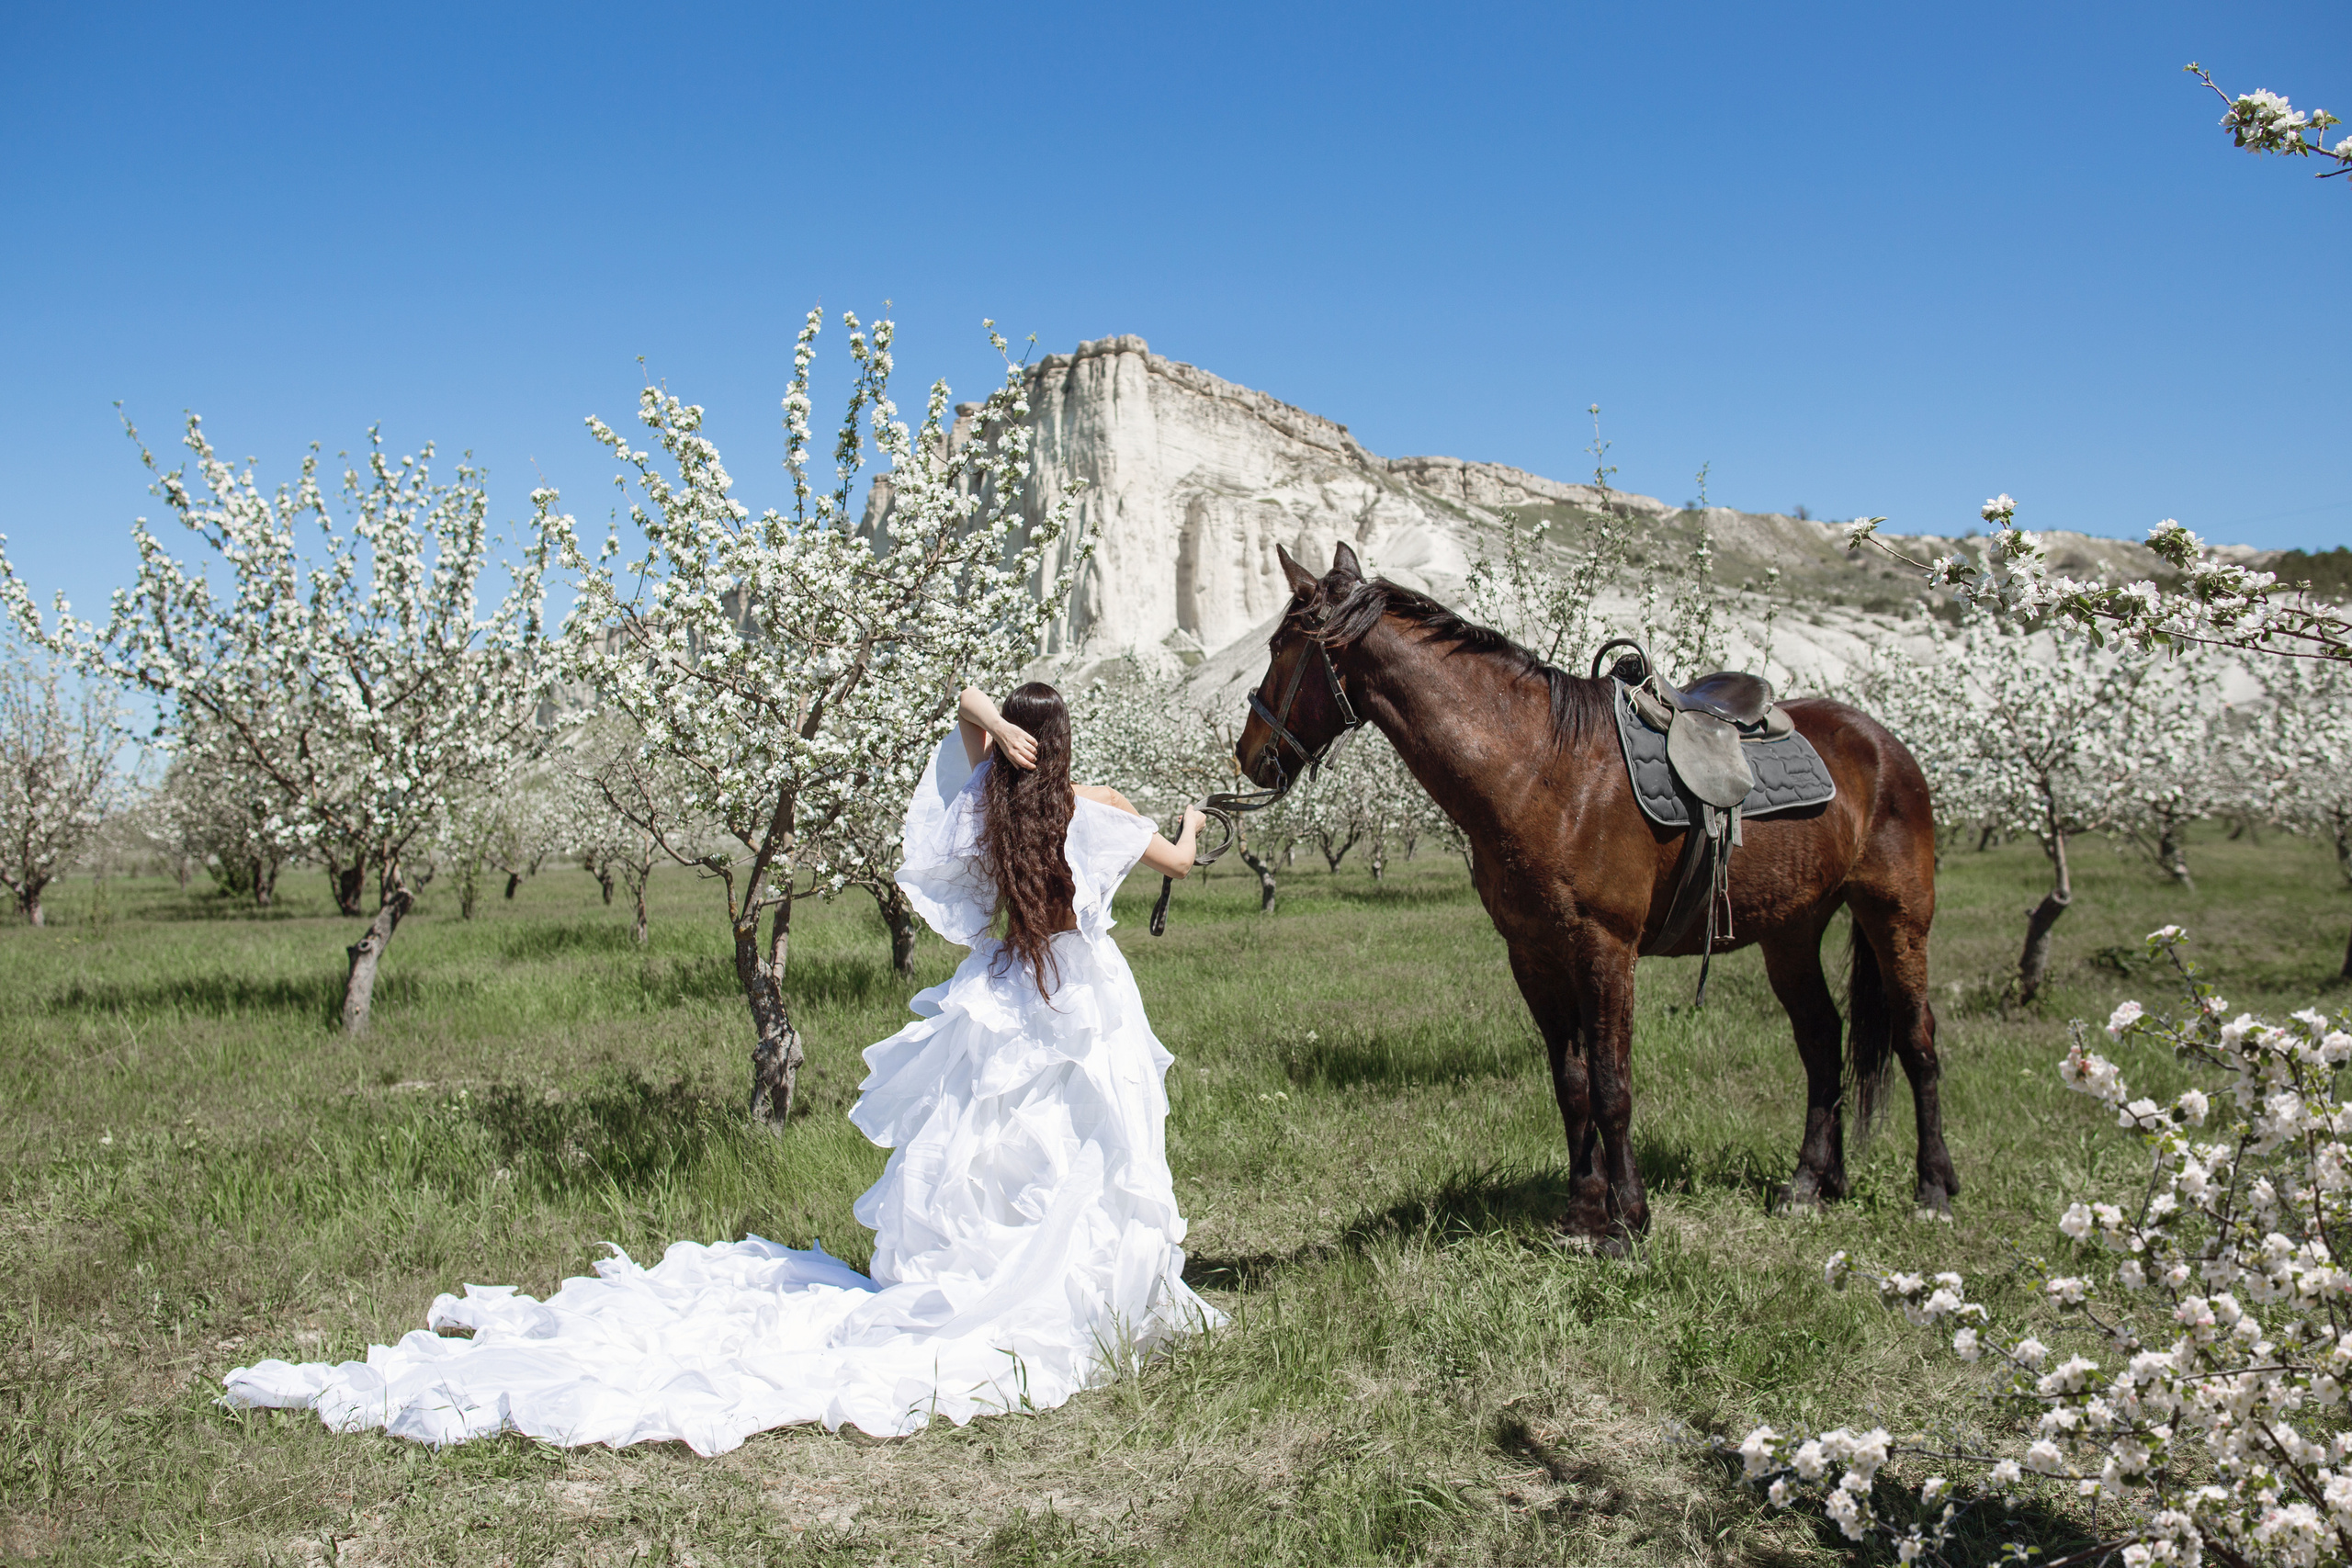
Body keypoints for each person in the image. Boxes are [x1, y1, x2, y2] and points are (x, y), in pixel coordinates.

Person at [223, 682, 1218, 1454]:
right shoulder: (1095, 807)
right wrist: (1194, 824)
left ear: (1010, 740)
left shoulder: (985, 814)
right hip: (1078, 998)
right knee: (1087, 1142)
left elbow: (960, 701)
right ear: (1069, 739)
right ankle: (1079, 1291)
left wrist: (993, 729)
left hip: (998, 991)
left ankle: (981, 1277)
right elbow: (1177, 861)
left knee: (987, 1144)